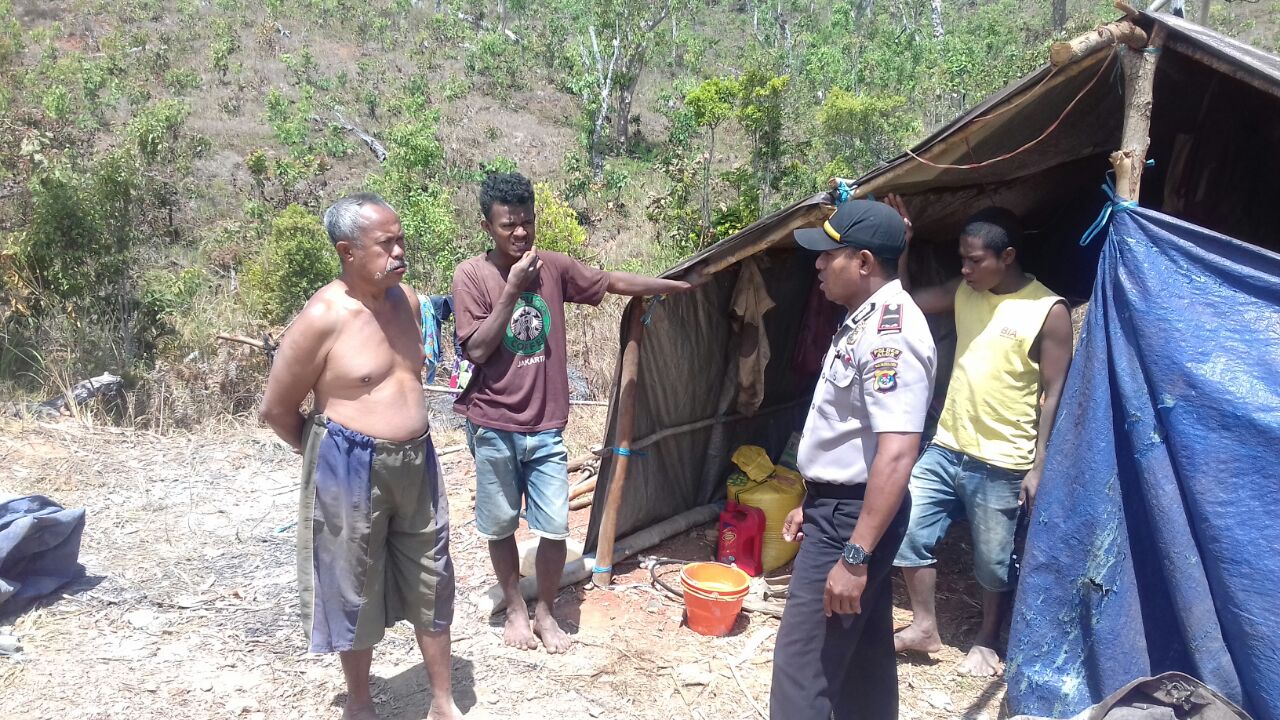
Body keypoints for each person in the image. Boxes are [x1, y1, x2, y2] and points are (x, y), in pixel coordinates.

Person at [451, 172, 699, 654]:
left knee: (553, 529)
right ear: (487, 226)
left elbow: (610, 282)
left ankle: (544, 611)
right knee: (500, 526)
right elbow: (478, 349)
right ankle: (516, 610)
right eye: (509, 225)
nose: (521, 233)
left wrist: (675, 285)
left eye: (527, 222)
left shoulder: (554, 267)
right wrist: (511, 290)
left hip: (546, 426)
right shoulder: (471, 276)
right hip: (493, 424)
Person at [259, 193, 459, 720]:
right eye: (386, 244)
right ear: (347, 251)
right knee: (353, 581)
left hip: (418, 460)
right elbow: (277, 410)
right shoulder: (323, 317)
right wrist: (332, 461)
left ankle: (442, 701)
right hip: (348, 466)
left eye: (401, 240)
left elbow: (408, 380)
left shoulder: (407, 301)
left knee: (432, 571)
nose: (400, 252)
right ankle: (361, 704)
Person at [884, 196, 1073, 677]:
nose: (965, 268)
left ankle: (988, 639)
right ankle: (925, 625)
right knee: (906, 528)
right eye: (961, 258)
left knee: (993, 563)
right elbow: (905, 301)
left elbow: (1054, 393)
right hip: (947, 445)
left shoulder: (1047, 309)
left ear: (1007, 256)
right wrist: (903, 247)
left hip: (1004, 459)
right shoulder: (965, 292)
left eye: (975, 260)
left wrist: (1039, 462)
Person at [770, 200, 938, 720]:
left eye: (828, 254)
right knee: (864, 659)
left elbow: (896, 453)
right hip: (841, 509)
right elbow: (851, 438)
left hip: (853, 521)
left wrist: (856, 555)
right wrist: (812, 499)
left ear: (864, 262)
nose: (818, 264)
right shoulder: (863, 320)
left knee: (803, 671)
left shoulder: (892, 335)